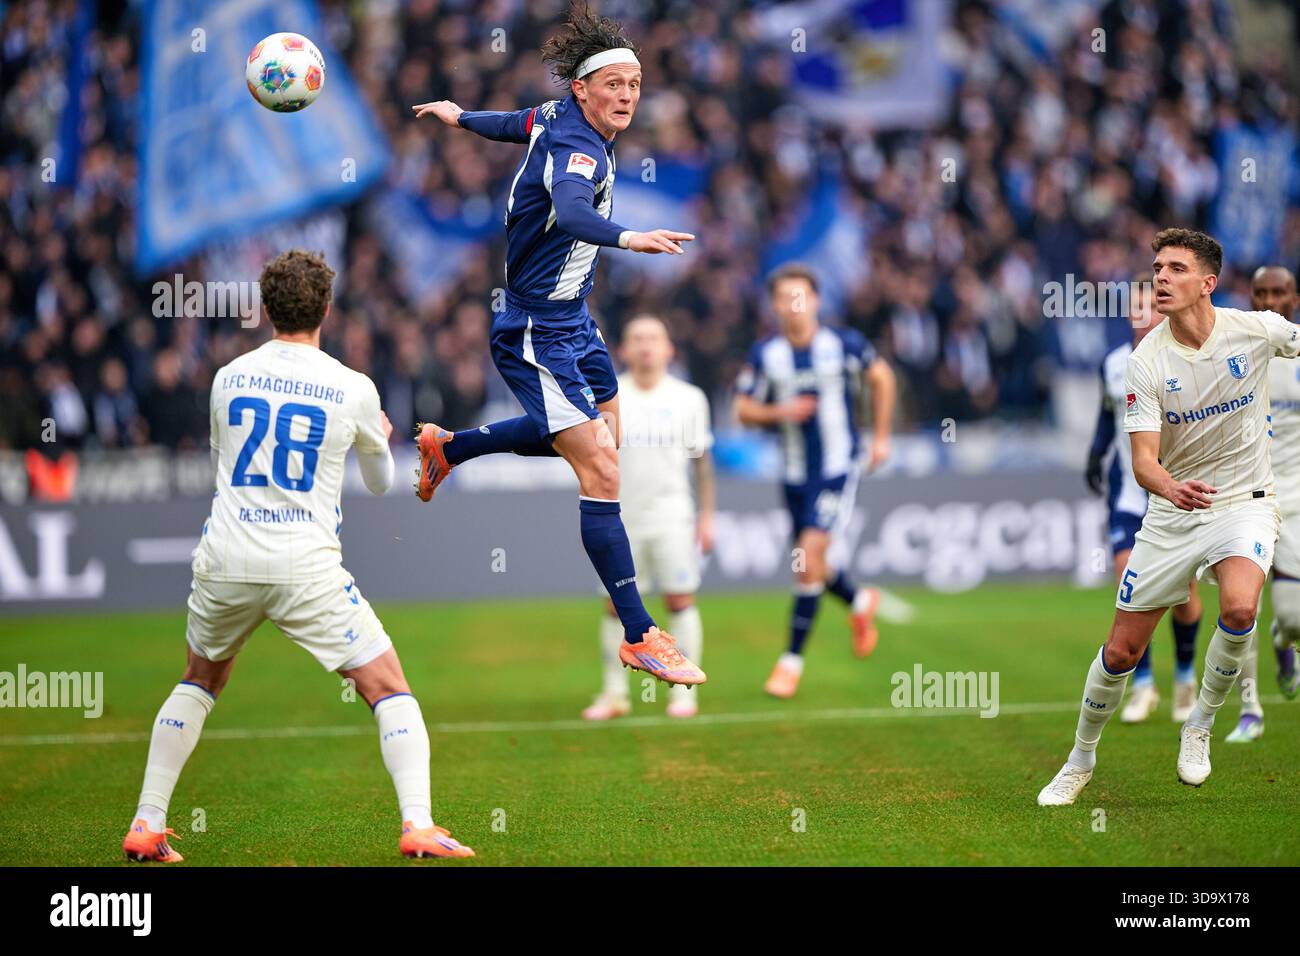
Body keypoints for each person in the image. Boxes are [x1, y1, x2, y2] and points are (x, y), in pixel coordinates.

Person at [121, 250, 473, 862]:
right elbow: (383, 483)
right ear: (328, 310)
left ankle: (147, 823)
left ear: (263, 309)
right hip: (302, 562)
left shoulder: (227, 377)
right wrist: (380, 436)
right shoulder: (352, 386)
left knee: (199, 678)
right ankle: (417, 824)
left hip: (226, 553)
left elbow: (222, 465)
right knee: (388, 687)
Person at [410, 4, 704, 688]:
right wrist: (632, 237)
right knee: (601, 469)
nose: (627, 95)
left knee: (606, 436)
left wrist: (460, 117)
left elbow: (515, 124)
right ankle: (639, 634)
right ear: (583, 89)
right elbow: (572, 210)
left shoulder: (557, 117)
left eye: (634, 84)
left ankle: (450, 448)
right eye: (614, 85)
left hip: (575, 319)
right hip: (536, 330)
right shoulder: (576, 147)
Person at [1038, 229, 1300, 806]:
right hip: (1173, 510)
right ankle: (1080, 759)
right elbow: (1142, 463)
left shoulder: (1254, 330)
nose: (1160, 277)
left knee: (1238, 605)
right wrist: (1172, 488)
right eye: (1157, 267)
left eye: (1176, 268)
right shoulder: (1145, 361)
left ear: (1207, 283)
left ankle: (1199, 725)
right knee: (1121, 653)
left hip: (1244, 501)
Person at [734, 263, 896, 699]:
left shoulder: (843, 344)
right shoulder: (765, 354)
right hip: (793, 476)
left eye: (800, 296)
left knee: (806, 556)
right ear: (773, 305)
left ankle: (790, 662)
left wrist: (881, 439)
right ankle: (860, 603)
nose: (793, 305)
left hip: (837, 468)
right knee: (814, 565)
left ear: (817, 300)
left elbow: (882, 377)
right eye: (784, 297)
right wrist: (779, 412)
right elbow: (743, 410)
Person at [582, 316, 714, 721]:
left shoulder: (690, 397)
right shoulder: (608, 395)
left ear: (669, 348)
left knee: (680, 599)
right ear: (622, 349)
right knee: (613, 606)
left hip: (673, 515)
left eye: (654, 338)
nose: (645, 346)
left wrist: (707, 515)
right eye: (637, 338)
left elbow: (702, 463)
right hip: (619, 517)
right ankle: (615, 693)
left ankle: (684, 693)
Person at [1086, 277, 1201, 725]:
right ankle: (1145, 684)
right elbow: (1106, 413)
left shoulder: (1184, 358)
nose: (1141, 316)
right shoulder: (1114, 363)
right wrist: (1095, 452)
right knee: (1127, 578)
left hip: (1173, 491)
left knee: (1183, 597)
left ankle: (1186, 675)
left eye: (1149, 307)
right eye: (1134, 308)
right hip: (1129, 492)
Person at [1226, 264, 1300, 742]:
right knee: (1240, 605)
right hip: (1245, 492)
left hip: (1295, 493)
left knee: (1292, 617)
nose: (1271, 301)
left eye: (1280, 292)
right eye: (1261, 293)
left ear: (1295, 297)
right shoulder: (1232, 351)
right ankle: (1249, 709)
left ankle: (1283, 640)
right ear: (1250, 298)